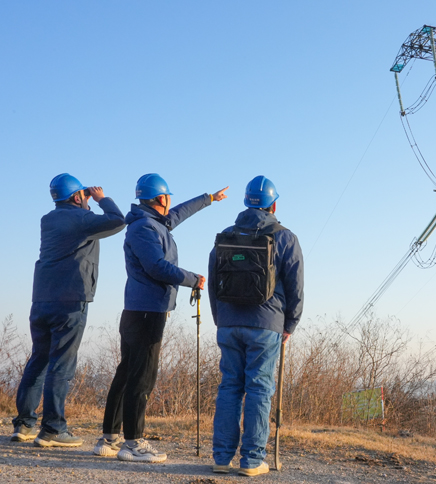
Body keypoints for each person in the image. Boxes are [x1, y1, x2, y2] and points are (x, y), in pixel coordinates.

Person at [95, 173, 228, 463]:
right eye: (168, 197)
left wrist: (209, 199)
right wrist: (192, 279)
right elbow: (156, 267)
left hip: (139, 310)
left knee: (127, 371)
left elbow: (179, 213)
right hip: (147, 312)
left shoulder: (153, 222)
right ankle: (132, 443)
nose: (171, 204)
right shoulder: (145, 228)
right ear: (160, 199)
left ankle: (109, 437)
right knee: (141, 378)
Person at [12, 173, 125, 447]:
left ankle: (25, 424)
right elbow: (119, 220)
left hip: (41, 299)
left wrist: (87, 200)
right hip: (71, 299)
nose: (87, 199)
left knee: (38, 360)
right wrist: (101, 199)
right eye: (83, 195)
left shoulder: (48, 219)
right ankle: (53, 429)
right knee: (61, 364)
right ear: (76, 197)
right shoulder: (81, 219)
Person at [208, 175, 304, 477]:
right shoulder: (284, 237)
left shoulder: (225, 236)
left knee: (229, 387)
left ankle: (222, 458)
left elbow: (213, 282)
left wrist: (221, 319)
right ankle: (251, 461)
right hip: (266, 324)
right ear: (273, 205)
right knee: (260, 389)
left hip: (229, 323)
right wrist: (290, 324)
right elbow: (296, 286)